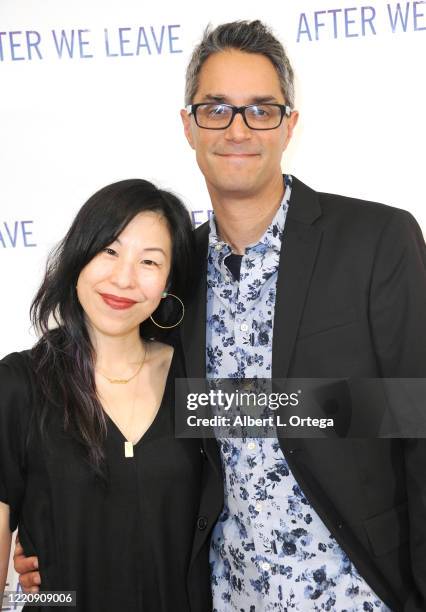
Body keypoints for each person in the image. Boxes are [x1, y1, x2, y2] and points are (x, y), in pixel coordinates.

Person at [16, 19, 426, 612]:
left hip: (362, 592)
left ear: (289, 125)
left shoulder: (377, 238)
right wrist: (55, 554)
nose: (238, 129)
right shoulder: (171, 276)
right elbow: (143, 429)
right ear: (189, 125)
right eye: (216, 109)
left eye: (261, 109)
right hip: (226, 596)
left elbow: (413, 411)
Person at [0, 179, 213, 611]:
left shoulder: (199, 381)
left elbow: (332, 415)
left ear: (170, 282)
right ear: (79, 256)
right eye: (110, 251)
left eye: (149, 262)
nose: (123, 278)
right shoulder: (18, 384)